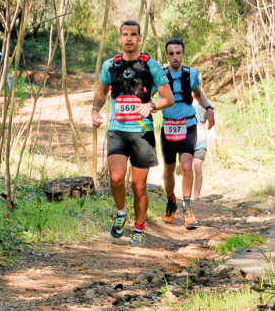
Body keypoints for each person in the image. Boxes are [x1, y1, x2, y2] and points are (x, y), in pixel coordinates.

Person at [90, 19, 172, 245]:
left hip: (142, 132)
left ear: (139, 38)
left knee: (138, 186)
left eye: (133, 34)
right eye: (125, 34)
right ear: (120, 38)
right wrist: (95, 110)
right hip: (117, 130)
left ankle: (139, 227)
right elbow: (101, 92)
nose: (129, 38)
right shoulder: (110, 65)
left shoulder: (151, 65)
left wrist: (151, 105)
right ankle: (121, 213)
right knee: (116, 179)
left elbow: (169, 98)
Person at [159, 38, 216, 230]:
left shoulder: (191, 73)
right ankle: (170, 202)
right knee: (168, 169)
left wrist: (209, 108)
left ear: (183, 53)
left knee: (186, 165)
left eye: (178, 53)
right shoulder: (160, 74)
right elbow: (148, 94)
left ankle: (187, 207)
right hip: (168, 126)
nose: (175, 57)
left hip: (188, 125)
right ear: (167, 55)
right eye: (171, 53)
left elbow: (198, 94)